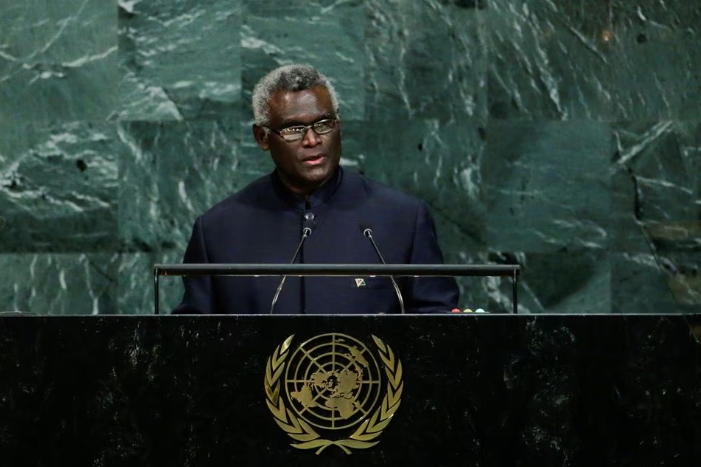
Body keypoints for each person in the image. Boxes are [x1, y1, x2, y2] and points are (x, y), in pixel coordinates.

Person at [173, 64, 458, 314]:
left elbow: (438, 325)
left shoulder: (403, 218)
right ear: (262, 137)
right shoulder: (218, 230)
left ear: (339, 125)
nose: (312, 140)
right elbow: (191, 339)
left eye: (323, 124)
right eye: (293, 129)